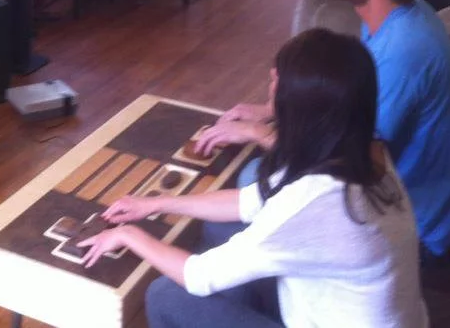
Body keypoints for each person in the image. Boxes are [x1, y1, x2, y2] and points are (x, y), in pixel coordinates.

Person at [78, 29, 428, 328]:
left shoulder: (319, 199)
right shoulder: (364, 150)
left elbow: (199, 277)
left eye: (277, 84)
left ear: (298, 110)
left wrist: (129, 234)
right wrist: (157, 203)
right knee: (224, 230)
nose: (270, 87)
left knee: (168, 297)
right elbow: (249, 201)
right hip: (345, 310)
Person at [195, 0, 450, 261]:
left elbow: (350, 165)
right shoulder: (401, 14)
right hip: (415, 197)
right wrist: (272, 110)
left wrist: (261, 133)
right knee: (256, 175)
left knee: (252, 182)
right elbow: (354, 105)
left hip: (426, 232)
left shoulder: (404, 53)